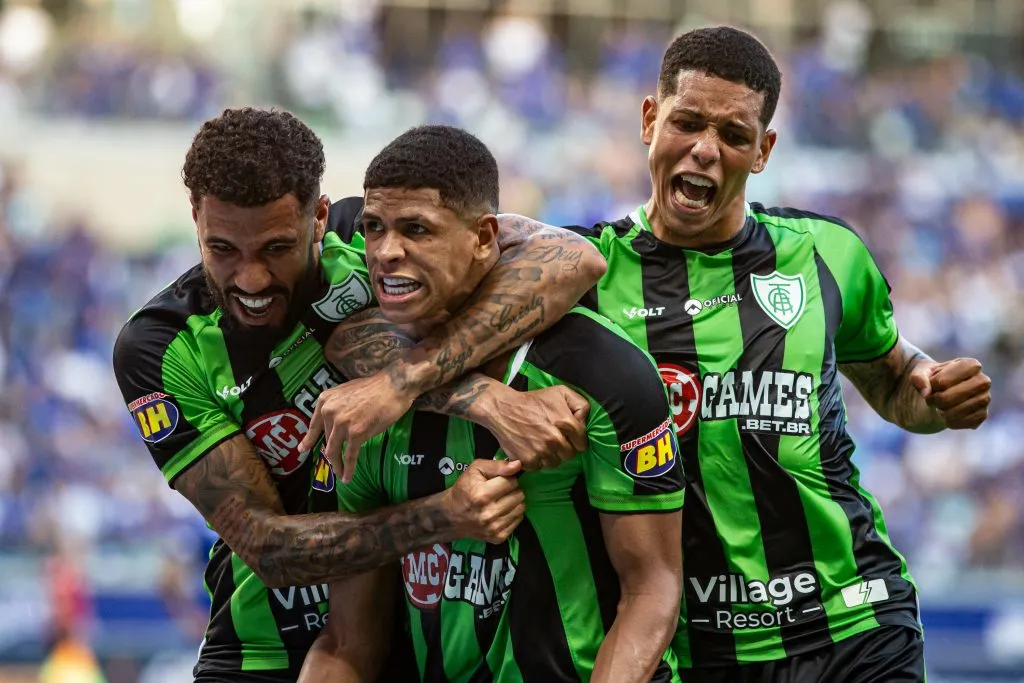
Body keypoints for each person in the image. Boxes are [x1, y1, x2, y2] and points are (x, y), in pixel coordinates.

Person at [111, 107, 607, 683]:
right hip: (264, 651)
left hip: (414, 634)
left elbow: (575, 258)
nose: (250, 280)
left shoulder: (370, 236)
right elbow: (267, 548)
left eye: (276, 248)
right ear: (195, 218)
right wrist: (444, 516)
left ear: (319, 216)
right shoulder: (160, 345)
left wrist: (405, 383)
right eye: (222, 249)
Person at [567, 26, 992, 683]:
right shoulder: (586, 277)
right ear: (650, 119)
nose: (707, 150)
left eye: (734, 135)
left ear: (763, 150)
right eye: (688, 122)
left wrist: (935, 391)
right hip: (705, 648)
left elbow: (897, 376)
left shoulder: (826, 253)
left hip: (856, 623)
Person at [299, 125, 685, 683]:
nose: (385, 252)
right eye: (373, 229)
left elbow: (651, 591)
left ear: (485, 238)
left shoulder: (602, 373)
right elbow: (347, 641)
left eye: (416, 230)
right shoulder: (364, 398)